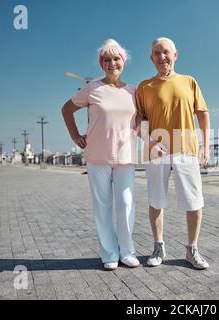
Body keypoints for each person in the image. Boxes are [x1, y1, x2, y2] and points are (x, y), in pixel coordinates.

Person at [62, 39, 139, 271]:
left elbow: (142, 122)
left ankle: (127, 252)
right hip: (97, 156)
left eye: (116, 59)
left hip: (126, 156)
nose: (112, 63)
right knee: (103, 205)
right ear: (101, 63)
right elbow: (66, 109)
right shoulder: (92, 88)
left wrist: (159, 140)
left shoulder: (134, 91)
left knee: (126, 204)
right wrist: (75, 136)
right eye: (107, 59)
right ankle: (109, 253)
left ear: (123, 62)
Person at [136, 37, 211, 269]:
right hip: (156, 153)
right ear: (151, 58)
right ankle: (158, 246)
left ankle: (192, 249)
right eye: (157, 54)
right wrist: (149, 143)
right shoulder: (144, 87)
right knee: (156, 201)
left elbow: (203, 115)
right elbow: (138, 120)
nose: (162, 57)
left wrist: (205, 147)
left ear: (175, 54)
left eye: (166, 52)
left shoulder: (189, 81)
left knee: (194, 201)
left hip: (186, 150)